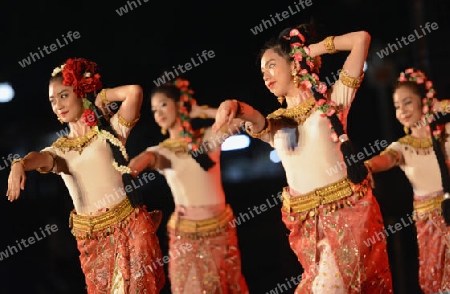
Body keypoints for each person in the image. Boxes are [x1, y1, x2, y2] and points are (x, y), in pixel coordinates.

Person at [213, 24, 393, 293]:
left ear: (294, 64)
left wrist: (309, 50)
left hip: (348, 217)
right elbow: (252, 116)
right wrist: (233, 105)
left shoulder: (333, 100)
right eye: (263, 70)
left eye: (272, 65)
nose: (266, 76)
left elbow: (361, 39)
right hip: (308, 226)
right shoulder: (277, 124)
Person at [6, 57, 165, 293]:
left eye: (64, 95)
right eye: (52, 100)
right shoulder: (60, 149)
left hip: (131, 229)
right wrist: (19, 164)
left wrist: (100, 97)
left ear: (80, 91)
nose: (58, 105)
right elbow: (38, 158)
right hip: (92, 240)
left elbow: (134, 92)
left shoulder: (110, 133)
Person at [128, 78, 248, 294]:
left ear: (180, 104)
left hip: (221, 230)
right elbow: (134, 168)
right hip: (186, 237)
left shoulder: (208, 139)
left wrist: (199, 111)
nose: (159, 113)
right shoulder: (161, 152)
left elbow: (240, 119)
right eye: (154, 110)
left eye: (163, 104)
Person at [364, 68, 450, 293]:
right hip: (429, 222)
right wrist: (368, 166)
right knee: (439, 281)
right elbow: (385, 159)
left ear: (424, 102)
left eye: (407, 102)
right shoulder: (402, 146)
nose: (402, 110)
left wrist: (439, 105)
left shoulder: (445, 134)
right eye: (396, 106)